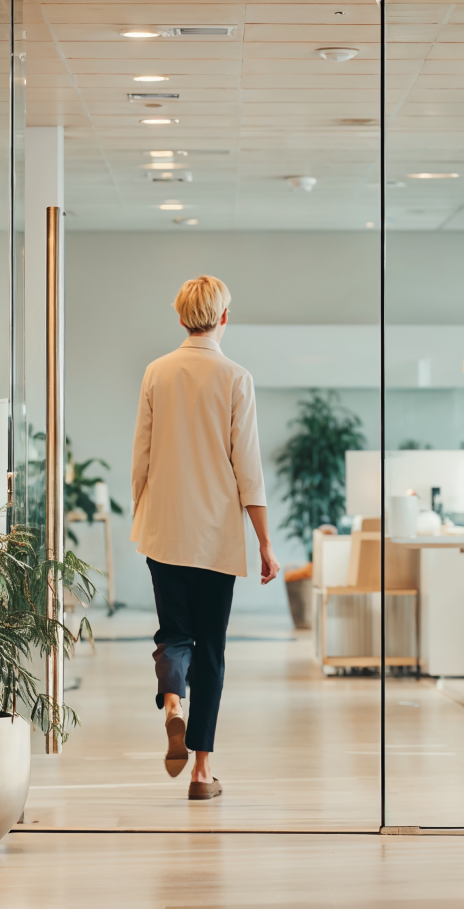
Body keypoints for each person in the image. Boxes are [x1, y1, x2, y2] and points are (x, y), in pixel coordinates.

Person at [129, 275, 279, 800]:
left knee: (174, 632)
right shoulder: (236, 377)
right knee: (211, 649)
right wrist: (263, 540)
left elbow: (141, 457)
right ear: (223, 318)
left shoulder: (156, 372)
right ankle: (201, 772)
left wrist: (142, 512)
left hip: (164, 527)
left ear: (179, 317)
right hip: (215, 534)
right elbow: (248, 467)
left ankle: (173, 702)